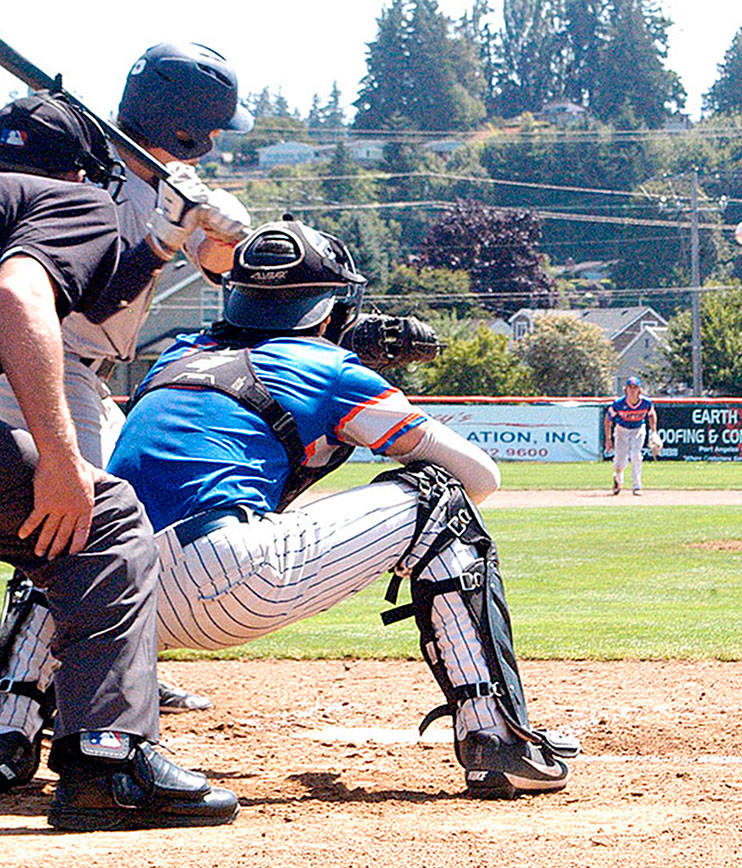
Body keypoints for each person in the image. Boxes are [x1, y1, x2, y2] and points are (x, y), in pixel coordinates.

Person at [102, 219, 577, 798]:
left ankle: (14, 731)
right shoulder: (332, 371)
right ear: (331, 311)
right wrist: (353, 372)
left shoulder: (176, 355)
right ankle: (497, 738)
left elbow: (254, 368)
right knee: (441, 500)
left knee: (78, 527)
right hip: (230, 584)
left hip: (119, 607)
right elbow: (481, 475)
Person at [0, 42, 253, 770]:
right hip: (47, 364)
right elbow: (92, 295)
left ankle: (111, 667)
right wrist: (165, 236)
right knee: (74, 525)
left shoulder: (165, 178)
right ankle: (28, 710)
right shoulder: (92, 180)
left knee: (115, 511)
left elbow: (220, 268)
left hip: (89, 371)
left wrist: (218, 231)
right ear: (191, 123)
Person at [604, 376, 657, 495]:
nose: (632, 390)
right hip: (621, 430)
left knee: (636, 455)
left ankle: (637, 486)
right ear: (626, 389)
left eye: (635, 387)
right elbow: (608, 419)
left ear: (639, 389)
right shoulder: (618, 403)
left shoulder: (646, 402)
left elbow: (652, 414)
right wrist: (608, 439)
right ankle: (617, 480)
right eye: (630, 387)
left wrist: (654, 432)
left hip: (638, 429)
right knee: (620, 461)